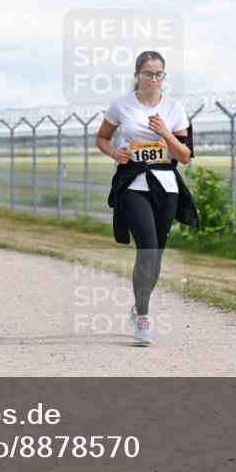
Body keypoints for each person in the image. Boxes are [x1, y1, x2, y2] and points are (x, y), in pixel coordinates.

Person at [95, 51, 198, 346]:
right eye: (148, 74)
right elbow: (102, 138)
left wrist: (165, 132)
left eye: (158, 74)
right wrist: (116, 153)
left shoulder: (175, 108)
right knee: (147, 249)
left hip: (166, 187)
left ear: (164, 77)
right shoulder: (121, 106)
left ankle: (137, 307)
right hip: (134, 185)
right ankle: (143, 318)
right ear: (137, 75)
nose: (153, 80)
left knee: (157, 255)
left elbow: (186, 156)